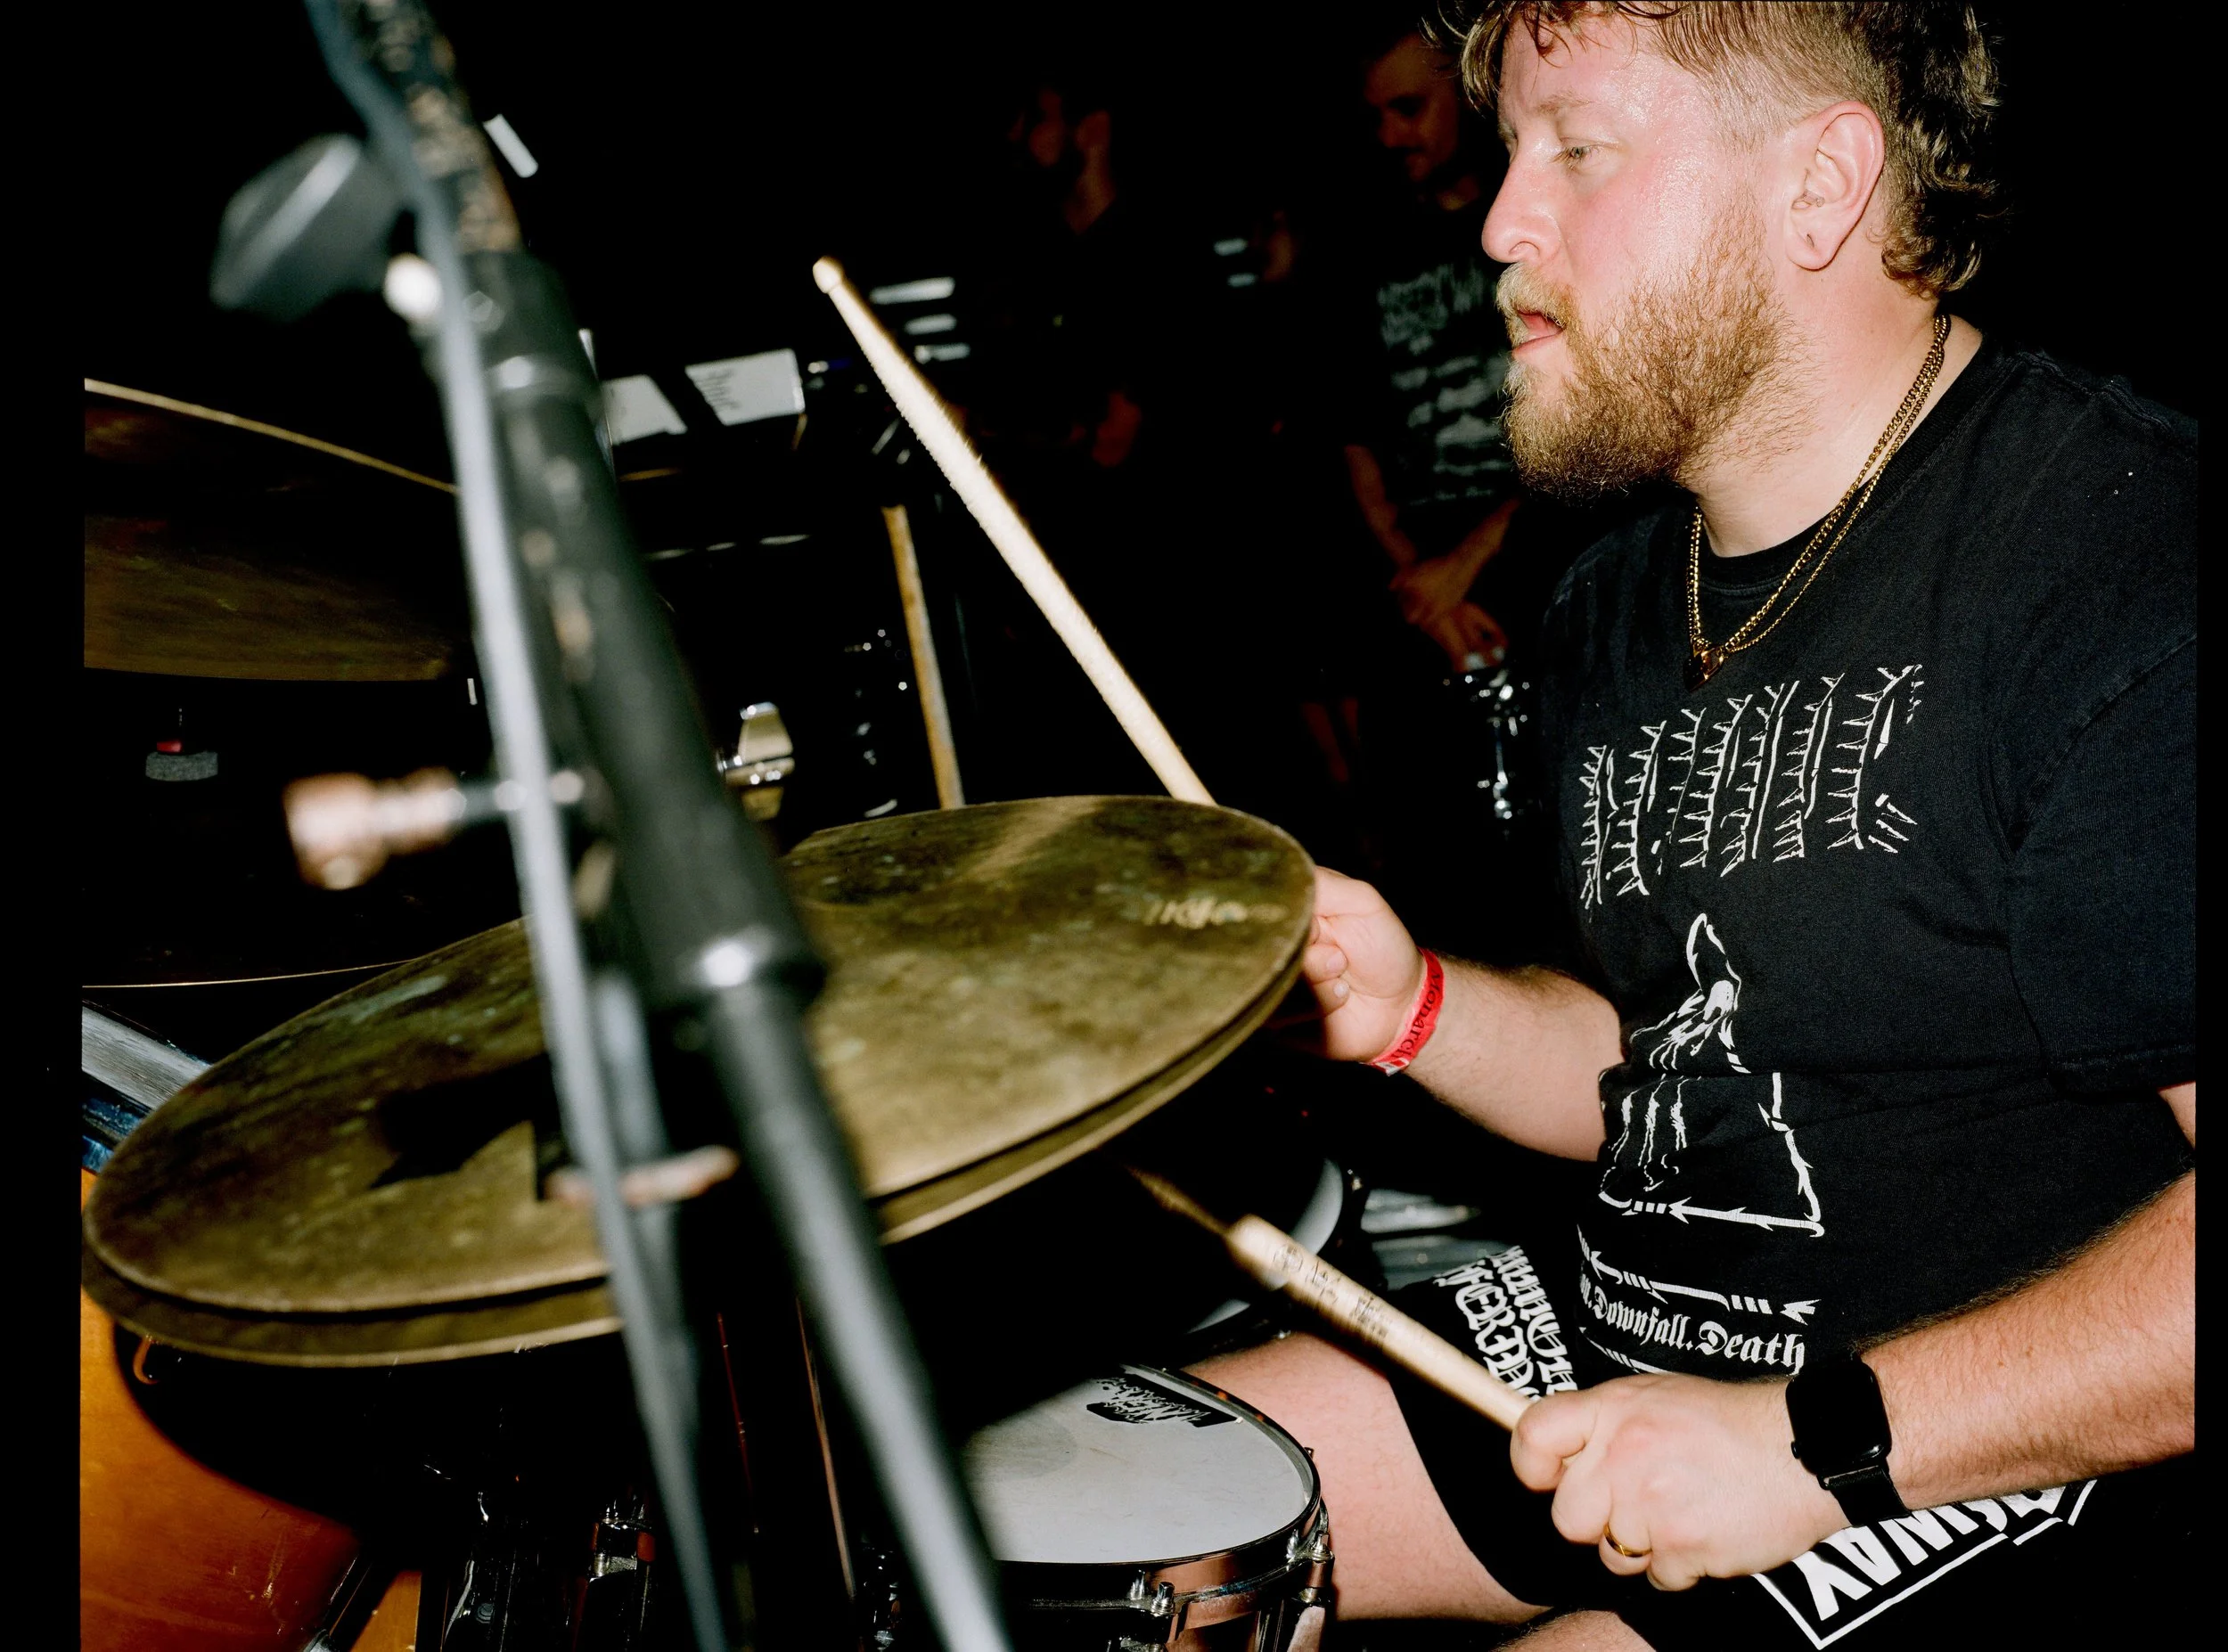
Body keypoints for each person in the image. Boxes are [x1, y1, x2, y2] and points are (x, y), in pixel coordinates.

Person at [1194, 4, 2194, 1646]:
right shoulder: (1607, 611)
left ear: (1820, 186)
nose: (1503, 221)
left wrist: (1814, 1447)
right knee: (1035, 1520)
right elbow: (1666, 1065)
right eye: (1510, 154)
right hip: (1638, 1334)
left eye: (1576, 149)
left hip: (1973, 1441)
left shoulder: (2118, 565)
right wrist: (1413, 1008)